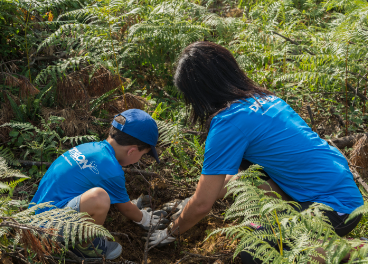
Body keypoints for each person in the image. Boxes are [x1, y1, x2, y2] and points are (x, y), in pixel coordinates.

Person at [146, 41, 364, 263]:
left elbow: (203, 204)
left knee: (256, 253)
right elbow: (236, 179)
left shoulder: (228, 123)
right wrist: (187, 203)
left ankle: (351, 250)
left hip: (335, 208)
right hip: (341, 187)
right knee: (251, 176)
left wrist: (169, 233)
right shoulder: (265, 99)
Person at [30, 109, 165, 259]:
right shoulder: (112, 169)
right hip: (47, 231)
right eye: (142, 155)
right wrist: (145, 219)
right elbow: (125, 208)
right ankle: (85, 247)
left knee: (99, 195)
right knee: (99, 198)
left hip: (35, 216)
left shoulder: (90, 148)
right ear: (132, 151)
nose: (139, 159)